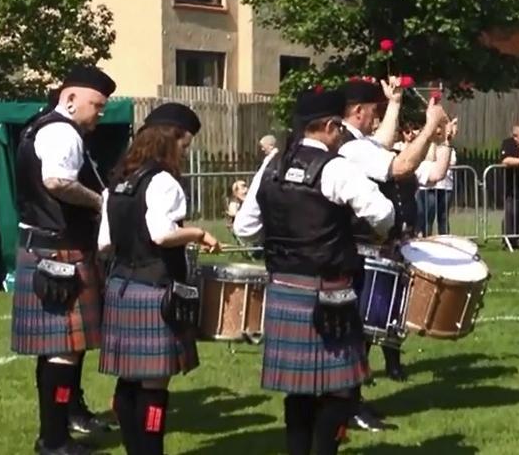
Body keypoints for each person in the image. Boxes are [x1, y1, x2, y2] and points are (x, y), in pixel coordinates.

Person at [231, 88, 400, 455]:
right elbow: (383, 213)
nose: (340, 134)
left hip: (284, 288)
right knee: (339, 389)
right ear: (327, 125)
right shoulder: (335, 167)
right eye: (338, 127)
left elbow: (244, 228)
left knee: (299, 389)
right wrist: (380, 232)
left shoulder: (272, 165)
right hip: (329, 290)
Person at [97, 103, 220, 455]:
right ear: (172, 139)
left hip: (121, 287)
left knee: (128, 380)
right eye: (185, 144)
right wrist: (197, 233)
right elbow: (162, 234)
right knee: (153, 386)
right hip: (156, 290)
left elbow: (104, 242)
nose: (185, 151)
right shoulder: (163, 181)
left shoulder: (117, 181)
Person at [334, 77, 456, 430]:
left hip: (366, 247)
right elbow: (399, 165)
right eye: (375, 110)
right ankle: (347, 406)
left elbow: (382, 145)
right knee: (356, 332)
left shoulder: (354, 142)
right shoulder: (351, 147)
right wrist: (431, 125)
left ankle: (352, 402)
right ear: (358, 111)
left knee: (362, 332)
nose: (378, 117)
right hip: (356, 248)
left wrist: (400, 104)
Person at [12, 67, 119, 455]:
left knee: (57, 347)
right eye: (97, 105)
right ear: (71, 99)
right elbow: (58, 182)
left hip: (43, 245)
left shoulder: (36, 126)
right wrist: (100, 201)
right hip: (60, 247)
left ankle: (65, 419)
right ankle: (54, 440)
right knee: (64, 349)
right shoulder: (61, 131)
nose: (100, 113)